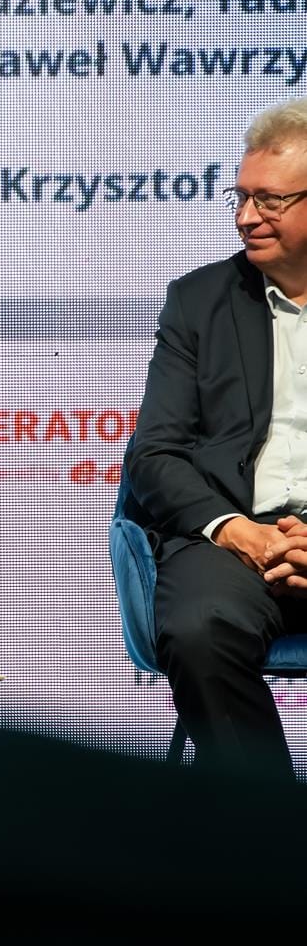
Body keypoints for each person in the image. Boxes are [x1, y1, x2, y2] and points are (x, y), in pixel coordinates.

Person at [126, 97, 307, 780]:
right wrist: (237, 530)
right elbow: (154, 454)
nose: (244, 217)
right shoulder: (198, 301)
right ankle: (267, 827)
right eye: (240, 196)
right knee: (198, 627)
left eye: (269, 200)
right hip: (233, 536)